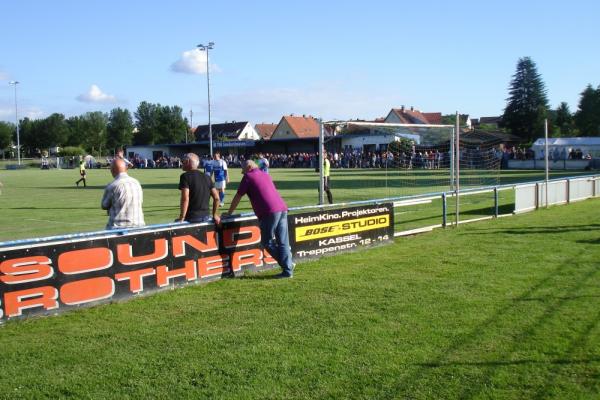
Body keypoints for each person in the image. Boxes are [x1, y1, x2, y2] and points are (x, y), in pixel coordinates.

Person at [224, 160, 294, 278]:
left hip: (269, 211)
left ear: (249, 167)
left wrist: (229, 213)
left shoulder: (248, 176)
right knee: (283, 242)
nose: (242, 173)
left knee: (267, 241)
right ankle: (288, 270)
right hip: (282, 208)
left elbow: (238, 196)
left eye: (243, 169)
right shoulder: (265, 174)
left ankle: (288, 266)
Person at [101, 158, 145, 230]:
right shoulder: (136, 183)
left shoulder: (112, 185)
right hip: (139, 226)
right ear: (125, 169)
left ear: (112, 170)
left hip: (118, 228)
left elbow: (104, 205)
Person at [177, 152, 221, 224]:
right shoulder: (207, 177)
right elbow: (217, 198)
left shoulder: (185, 176)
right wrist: (215, 215)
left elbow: (185, 199)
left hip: (192, 218)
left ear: (188, 161)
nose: (182, 163)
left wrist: (182, 217)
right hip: (206, 217)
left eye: (183, 161)